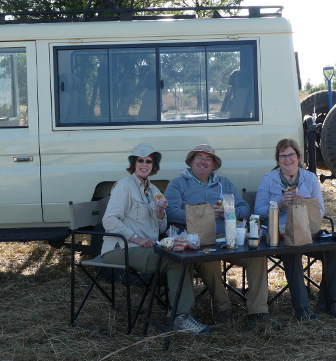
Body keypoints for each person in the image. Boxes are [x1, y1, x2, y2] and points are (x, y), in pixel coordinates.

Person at [165, 144, 279, 329]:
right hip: (199, 241)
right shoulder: (178, 183)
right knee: (208, 260)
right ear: (192, 162)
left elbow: (244, 209)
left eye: (207, 159)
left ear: (213, 165)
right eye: (199, 158)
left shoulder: (224, 183)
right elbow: (170, 212)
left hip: (229, 238)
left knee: (257, 256)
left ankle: (258, 312)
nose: (203, 161)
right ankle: (222, 308)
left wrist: (228, 211)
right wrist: (203, 213)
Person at [101, 142, 210, 334]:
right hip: (121, 248)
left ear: (154, 166)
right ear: (133, 164)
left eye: (149, 161)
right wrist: (136, 238)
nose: (144, 165)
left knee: (184, 255)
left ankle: (180, 311)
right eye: (140, 161)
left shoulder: (153, 190)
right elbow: (109, 220)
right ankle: (179, 316)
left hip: (147, 247)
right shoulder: (124, 186)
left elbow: (161, 227)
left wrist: (160, 211)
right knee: (176, 261)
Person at [254, 138, 336, 320]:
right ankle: (302, 309)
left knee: (335, 251)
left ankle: (328, 302)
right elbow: (257, 211)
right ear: (278, 159)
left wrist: (304, 203)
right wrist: (279, 204)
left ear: (298, 157)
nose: (287, 159)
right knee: (292, 250)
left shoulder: (310, 178)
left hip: (309, 232)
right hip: (280, 235)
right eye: (283, 156)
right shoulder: (269, 179)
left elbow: (321, 211)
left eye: (291, 155)